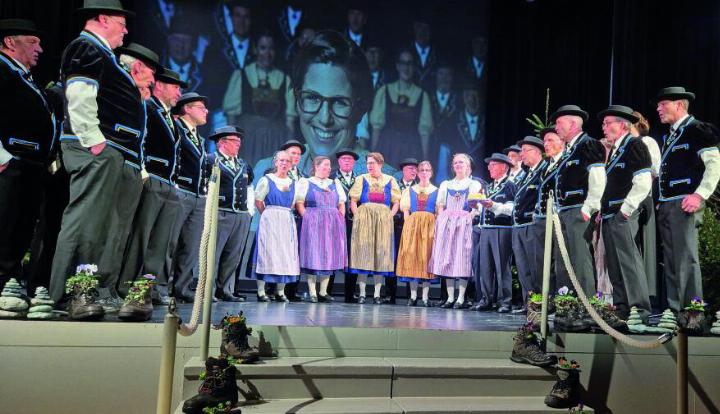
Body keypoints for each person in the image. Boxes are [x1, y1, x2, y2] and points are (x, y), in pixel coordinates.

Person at [48, 1, 150, 309]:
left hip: (110, 152)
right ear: (103, 19)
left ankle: (91, 290)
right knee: (85, 222)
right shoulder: (86, 48)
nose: (126, 30)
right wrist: (94, 141)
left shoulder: (101, 54)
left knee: (101, 227)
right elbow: (79, 95)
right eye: (121, 23)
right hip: (96, 148)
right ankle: (68, 292)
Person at [253, 31, 394, 179]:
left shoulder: (389, 183)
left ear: (361, 109)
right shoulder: (265, 173)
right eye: (312, 98)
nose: (325, 119)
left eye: (340, 102)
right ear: (297, 99)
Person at [117, 68, 185, 304]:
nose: (179, 92)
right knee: (141, 236)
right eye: (175, 87)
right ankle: (128, 286)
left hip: (168, 182)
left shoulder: (168, 116)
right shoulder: (149, 107)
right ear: (160, 86)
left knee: (159, 241)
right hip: (152, 179)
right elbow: (141, 140)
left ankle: (148, 287)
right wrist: (143, 170)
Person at [0, 19, 57, 292]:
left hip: (31, 164)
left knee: (20, 228)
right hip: (11, 162)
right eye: (33, 42)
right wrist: (2, 156)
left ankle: (9, 282)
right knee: (6, 225)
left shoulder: (24, 76)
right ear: (10, 42)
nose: (40, 49)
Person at [655, 86, 720, 313]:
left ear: (679, 105)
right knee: (672, 261)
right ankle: (675, 310)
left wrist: (699, 195)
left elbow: (714, 165)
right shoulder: (672, 135)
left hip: (685, 202)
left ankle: (693, 310)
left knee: (686, 258)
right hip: (668, 204)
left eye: (663, 104)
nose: (658, 109)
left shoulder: (697, 130)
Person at [598, 105, 653, 321]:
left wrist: (626, 210)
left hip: (623, 214)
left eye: (608, 122)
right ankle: (621, 307)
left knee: (629, 260)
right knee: (614, 263)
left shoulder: (635, 145)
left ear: (622, 125)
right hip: (610, 214)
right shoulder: (615, 151)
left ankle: (640, 309)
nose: (604, 127)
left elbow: (643, 181)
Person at [551, 104, 606, 296]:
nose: (556, 127)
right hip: (564, 212)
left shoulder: (589, 144)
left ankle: (585, 304)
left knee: (579, 258)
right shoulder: (569, 150)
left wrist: (589, 207)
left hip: (578, 211)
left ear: (573, 124)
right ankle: (567, 303)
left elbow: (598, 178)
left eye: (559, 123)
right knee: (563, 260)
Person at [222, 30, 296, 166]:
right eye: (263, 48)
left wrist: (289, 151)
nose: (267, 54)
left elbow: (289, 122)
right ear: (255, 49)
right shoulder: (242, 75)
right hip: (249, 141)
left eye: (271, 48)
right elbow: (231, 118)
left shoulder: (284, 79)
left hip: (275, 140)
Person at [206, 126, 254, 302]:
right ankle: (207, 291)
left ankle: (225, 290)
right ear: (222, 143)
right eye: (234, 141)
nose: (238, 145)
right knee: (214, 254)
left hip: (240, 214)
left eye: (239, 142)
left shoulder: (243, 164)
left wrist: (248, 212)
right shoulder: (211, 160)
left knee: (233, 256)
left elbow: (250, 187)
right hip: (220, 212)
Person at [429, 153, 483, 309]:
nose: (458, 165)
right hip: (447, 224)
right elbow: (440, 205)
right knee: (448, 260)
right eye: (456, 163)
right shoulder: (446, 184)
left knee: (462, 259)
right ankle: (450, 298)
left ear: (468, 166)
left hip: (464, 225)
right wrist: (442, 219)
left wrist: (468, 219)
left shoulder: (473, 184)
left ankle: (460, 298)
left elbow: (476, 206)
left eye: (461, 162)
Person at [170, 92, 209, 303]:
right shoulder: (177, 128)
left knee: (191, 245)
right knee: (171, 241)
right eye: (201, 108)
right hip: (180, 191)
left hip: (197, 195)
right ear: (187, 109)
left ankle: (182, 287)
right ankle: (162, 286)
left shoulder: (199, 138)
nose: (207, 112)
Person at [347, 152, 401, 304]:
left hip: (383, 220)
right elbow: (353, 200)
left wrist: (390, 215)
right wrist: (358, 216)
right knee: (363, 254)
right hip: (364, 219)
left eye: (373, 163)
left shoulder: (390, 180)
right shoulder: (361, 179)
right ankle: (363, 293)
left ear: (380, 164)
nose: (370, 166)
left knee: (381, 255)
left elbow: (396, 201)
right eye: (368, 163)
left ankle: (377, 294)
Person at [296, 156, 347, 303]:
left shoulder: (335, 183)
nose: (329, 168)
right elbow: (300, 202)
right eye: (325, 165)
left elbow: (342, 203)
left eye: (330, 166)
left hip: (332, 223)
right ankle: (312, 292)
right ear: (316, 167)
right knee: (313, 255)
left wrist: (340, 218)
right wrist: (307, 218)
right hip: (313, 221)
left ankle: (323, 292)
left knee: (329, 255)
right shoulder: (306, 182)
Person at [370, 49, 433, 168]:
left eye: (410, 64)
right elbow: (376, 128)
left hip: (411, 150)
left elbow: (424, 133)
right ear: (398, 66)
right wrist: (373, 157)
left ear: (414, 67)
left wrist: (424, 161)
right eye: (403, 63)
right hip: (387, 148)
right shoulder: (384, 91)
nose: (406, 68)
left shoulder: (422, 95)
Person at [252, 150, 301, 302]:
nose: (285, 163)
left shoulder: (294, 183)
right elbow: (258, 201)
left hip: (286, 219)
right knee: (267, 253)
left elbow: (293, 203)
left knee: (285, 254)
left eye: (287, 161)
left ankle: (280, 292)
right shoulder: (267, 180)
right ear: (276, 162)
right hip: (270, 219)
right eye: (282, 160)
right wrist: (268, 215)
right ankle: (261, 291)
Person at [475, 153, 516, 313]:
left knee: (501, 266)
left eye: (493, 165)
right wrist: (477, 207)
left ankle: (505, 301)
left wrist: (492, 205)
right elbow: (484, 207)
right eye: (489, 165)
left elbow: (510, 209)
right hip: (486, 229)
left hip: (502, 230)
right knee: (485, 266)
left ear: (503, 167)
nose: (489, 168)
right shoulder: (489, 187)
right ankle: (486, 298)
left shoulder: (510, 186)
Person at [510, 136, 547, 307]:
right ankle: (529, 303)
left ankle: (540, 303)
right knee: (523, 268)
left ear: (537, 151)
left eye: (525, 151)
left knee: (536, 266)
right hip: (519, 226)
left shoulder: (544, 170)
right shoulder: (526, 174)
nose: (521, 155)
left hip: (532, 226)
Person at [396, 160, 438, 307]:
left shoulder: (437, 191)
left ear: (431, 173)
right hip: (413, 226)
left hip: (429, 226)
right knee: (412, 257)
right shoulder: (410, 190)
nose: (425, 172)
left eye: (427, 170)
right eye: (422, 170)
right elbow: (406, 211)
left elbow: (438, 213)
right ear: (418, 173)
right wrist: (409, 227)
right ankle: (413, 297)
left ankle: (425, 297)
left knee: (426, 259)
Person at [630, 111, 661, 303]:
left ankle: (643, 298)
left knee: (641, 249)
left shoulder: (647, 142)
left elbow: (654, 171)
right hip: (620, 203)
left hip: (641, 199)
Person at [531, 127, 565, 299]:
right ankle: (544, 299)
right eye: (545, 141)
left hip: (557, 219)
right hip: (542, 218)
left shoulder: (564, 162)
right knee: (541, 261)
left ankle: (559, 298)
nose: (546, 144)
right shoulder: (547, 165)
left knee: (557, 262)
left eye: (550, 140)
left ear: (562, 142)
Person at [436, 78, 486, 183]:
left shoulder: (487, 123)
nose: (472, 100)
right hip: (455, 183)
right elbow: (444, 156)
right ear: (464, 97)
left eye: (475, 96)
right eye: (469, 96)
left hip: (481, 182)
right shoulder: (450, 124)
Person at [330, 147, 359, 302]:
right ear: (339, 161)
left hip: (354, 223)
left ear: (354, 162)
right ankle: (326, 291)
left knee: (353, 256)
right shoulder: (331, 179)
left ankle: (350, 294)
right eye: (344, 159)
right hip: (335, 222)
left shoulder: (360, 179)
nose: (347, 161)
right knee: (333, 253)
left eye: (350, 159)